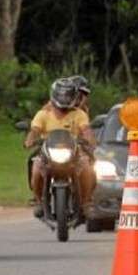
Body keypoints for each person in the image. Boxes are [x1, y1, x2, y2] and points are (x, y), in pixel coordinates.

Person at [24, 78, 96, 219]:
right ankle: (38, 200)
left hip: (74, 154)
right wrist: (30, 140)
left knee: (87, 167)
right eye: (61, 96)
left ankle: (86, 203)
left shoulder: (79, 114)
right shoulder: (43, 114)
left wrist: (89, 140)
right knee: (36, 169)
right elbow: (34, 130)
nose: (64, 99)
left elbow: (86, 130)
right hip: (47, 154)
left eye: (67, 96)